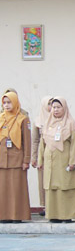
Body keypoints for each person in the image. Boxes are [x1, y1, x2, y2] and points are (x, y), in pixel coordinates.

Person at [39, 97, 75, 223]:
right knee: (52, 187)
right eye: (54, 107)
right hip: (50, 162)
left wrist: (72, 161)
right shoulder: (47, 123)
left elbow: (74, 144)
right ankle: (53, 214)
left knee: (65, 187)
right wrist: (40, 160)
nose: (56, 110)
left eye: (58, 107)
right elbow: (43, 144)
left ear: (64, 108)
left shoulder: (71, 124)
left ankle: (67, 215)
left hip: (64, 161)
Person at [0, 91, 31, 223]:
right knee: (3, 190)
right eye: (4, 103)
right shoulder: (1, 118)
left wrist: (26, 160)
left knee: (17, 189)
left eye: (9, 102)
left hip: (17, 159)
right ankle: (4, 215)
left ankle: (17, 216)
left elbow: (27, 142)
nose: (7, 105)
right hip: (2, 160)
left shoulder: (22, 119)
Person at [31, 96, 53, 216]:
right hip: (42, 155)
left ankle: (55, 205)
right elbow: (35, 141)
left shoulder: (58, 119)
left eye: (52, 104)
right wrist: (34, 157)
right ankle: (45, 206)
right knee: (43, 180)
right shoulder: (38, 121)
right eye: (49, 104)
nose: (51, 107)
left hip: (55, 154)